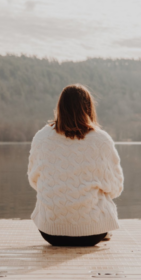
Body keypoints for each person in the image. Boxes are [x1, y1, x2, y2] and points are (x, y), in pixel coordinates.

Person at [27, 83, 124, 247]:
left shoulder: (41, 137)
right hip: (92, 233)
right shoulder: (101, 140)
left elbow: (33, 179)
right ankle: (97, 226)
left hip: (50, 232)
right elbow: (116, 187)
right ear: (89, 108)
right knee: (103, 194)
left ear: (59, 107)